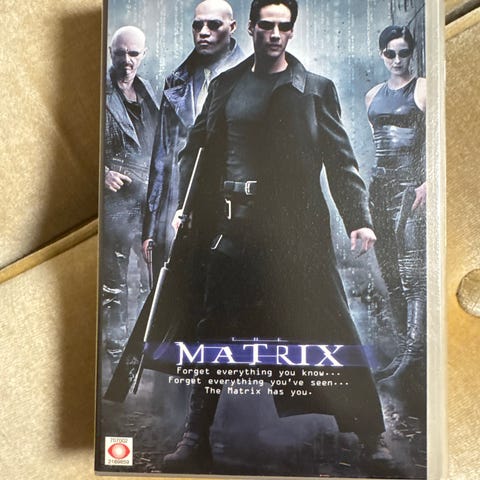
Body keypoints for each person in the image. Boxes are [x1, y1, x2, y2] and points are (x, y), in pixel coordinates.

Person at [162, 0, 391, 473]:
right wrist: (185, 206)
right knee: (212, 329)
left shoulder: (315, 90)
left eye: (282, 27)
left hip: (295, 232)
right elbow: (196, 151)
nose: (273, 34)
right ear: (249, 29)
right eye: (265, 25)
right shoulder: (226, 85)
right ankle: (194, 437)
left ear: (291, 32)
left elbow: (340, 159)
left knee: (330, 324)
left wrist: (358, 218)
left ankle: (372, 437)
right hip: (233, 226)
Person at [142, 0, 245, 274]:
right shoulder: (176, 82)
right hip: (181, 208)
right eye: (198, 26)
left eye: (214, 25)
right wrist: (150, 228)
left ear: (232, 27)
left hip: (231, 207)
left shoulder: (255, 75)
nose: (204, 32)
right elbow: (161, 158)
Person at [365, 26, 426, 400]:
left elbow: (440, 138)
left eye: (404, 53)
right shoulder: (373, 95)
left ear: (412, 53)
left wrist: (428, 182)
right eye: (391, 53)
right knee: (390, 273)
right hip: (380, 189)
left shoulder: (423, 88)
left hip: (410, 190)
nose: (398, 60)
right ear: (382, 55)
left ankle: (415, 356)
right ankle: (405, 352)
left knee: (412, 274)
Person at [102, 26, 159, 366]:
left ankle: (142, 349)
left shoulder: (148, 89)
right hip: (116, 201)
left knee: (150, 277)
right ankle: (115, 352)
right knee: (114, 281)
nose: (126, 60)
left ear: (143, 55)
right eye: (120, 53)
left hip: (148, 198)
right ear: (111, 53)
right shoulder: (99, 91)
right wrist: (101, 173)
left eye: (133, 53)